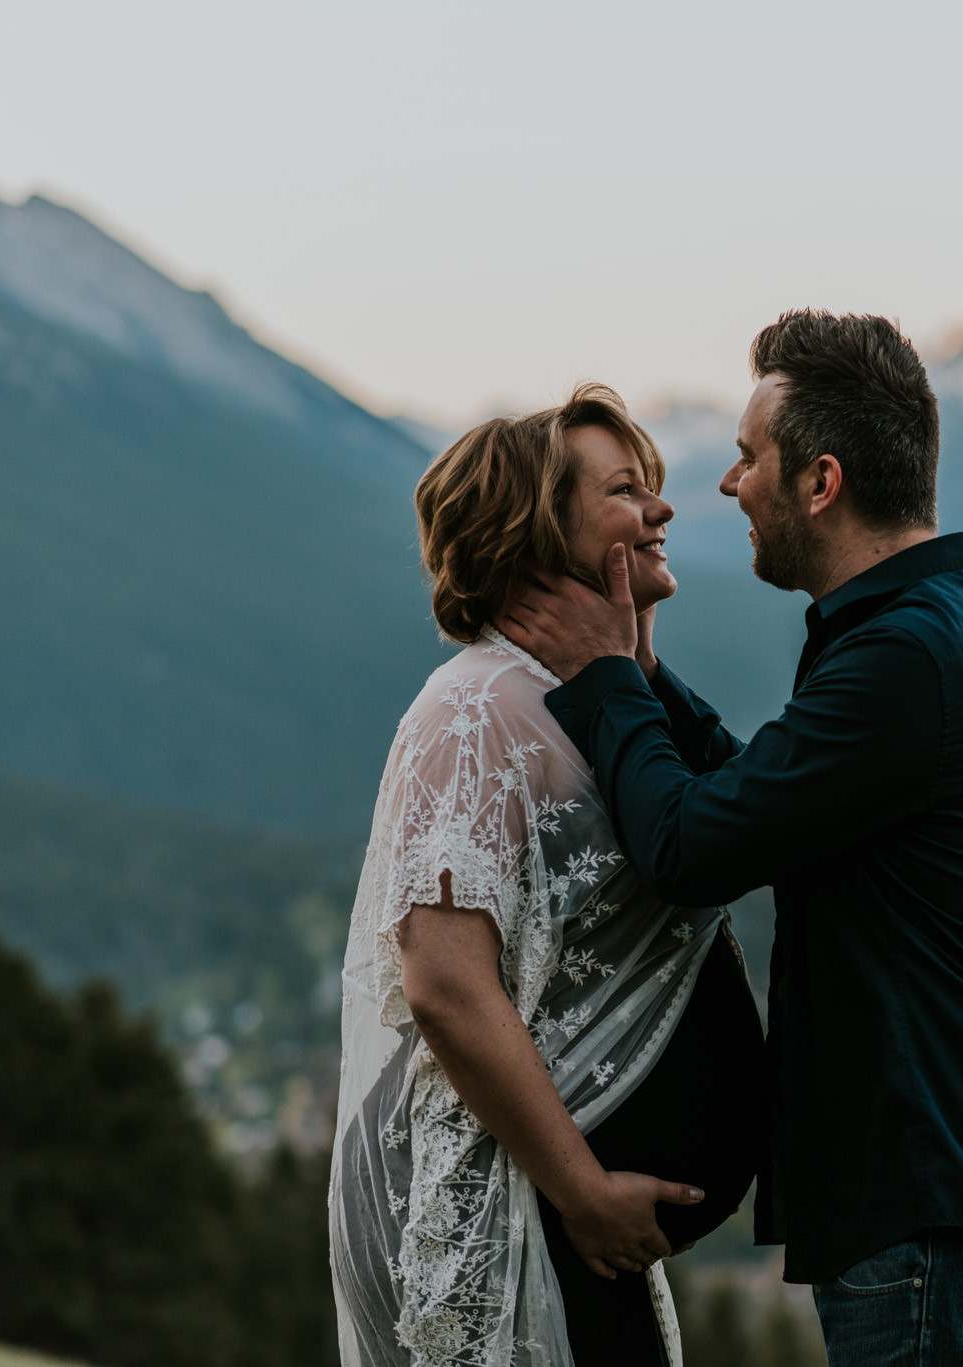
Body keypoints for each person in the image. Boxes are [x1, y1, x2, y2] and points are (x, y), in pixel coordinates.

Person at [501, 312, 963, 1366]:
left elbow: (693, 846)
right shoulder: (937, 626)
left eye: (748, 457)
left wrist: (602, 677)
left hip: (942, 1211)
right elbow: (768, 793)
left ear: (820, 482)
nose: (723, 486)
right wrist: (641, 676)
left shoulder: (906, 657)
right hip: (958, 1194)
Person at [329, 384, 765, 1367]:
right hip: (523, 1207)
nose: (660, 509)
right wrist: (581, 1185)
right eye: (624, 490)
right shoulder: (473, 711)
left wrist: (634, 668)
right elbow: (443, 982)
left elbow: (721, 822)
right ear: (534, 530)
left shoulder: (596, 702)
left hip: (573, 1226)